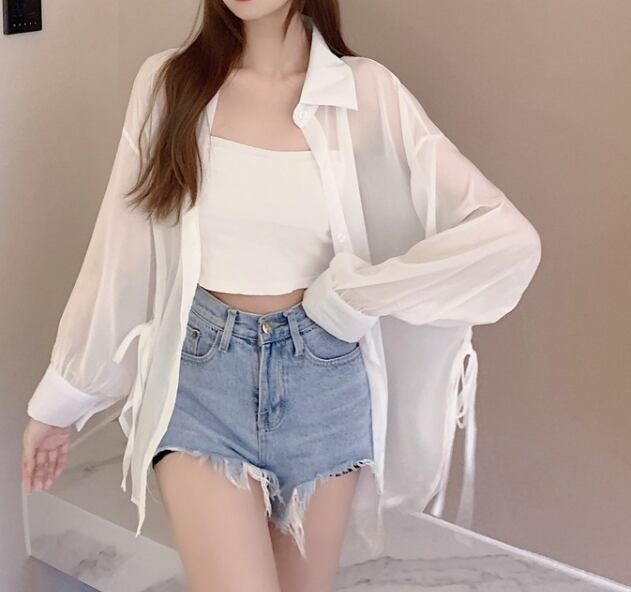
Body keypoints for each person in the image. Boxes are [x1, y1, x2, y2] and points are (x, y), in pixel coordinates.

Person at [21, 1, 542, 590]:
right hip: (202, 382)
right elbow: (122, 254)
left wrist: (353, 297)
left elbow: (504, 237)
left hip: (324, 388)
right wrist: (60, 404)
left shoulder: (366, 92)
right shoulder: (171, 84)